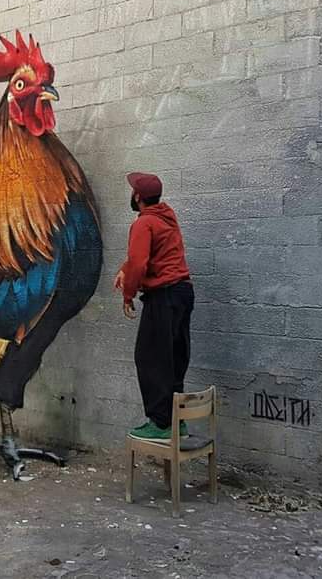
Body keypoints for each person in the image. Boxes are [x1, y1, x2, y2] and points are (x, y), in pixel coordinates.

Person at [114, 172, 194, 442]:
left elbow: (139, 263)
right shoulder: (166, 217)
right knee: (173, 357)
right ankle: (176, 421)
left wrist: (128, 295)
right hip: (183, 292)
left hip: (164, 295)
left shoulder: (143, 223)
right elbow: (153, 254)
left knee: (149, 358)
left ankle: (160, 423)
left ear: (137, 196)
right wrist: (127, 268)